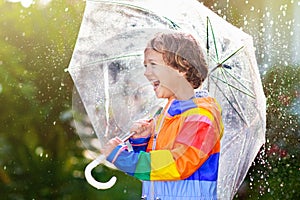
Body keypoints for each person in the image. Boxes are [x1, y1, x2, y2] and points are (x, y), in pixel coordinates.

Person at [102, 32, 224, 200]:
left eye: (153, 64)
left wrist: (124, 158)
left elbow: (177, 164)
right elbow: (154, 171)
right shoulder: (165, 114)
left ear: (182, 68)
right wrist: (142, 142)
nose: (146, 73)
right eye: (145, 66)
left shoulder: (201, 117)